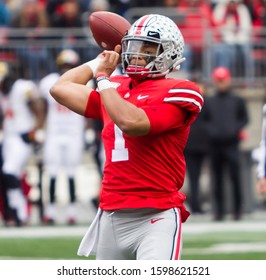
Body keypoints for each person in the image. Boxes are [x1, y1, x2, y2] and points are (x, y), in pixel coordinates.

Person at [50, 14, 204, 260]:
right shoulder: (116, 87)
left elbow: (132, 122)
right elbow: (60, 88)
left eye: (148, 48)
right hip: (111, 213)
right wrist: (99, 62)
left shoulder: (178, 90)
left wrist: (102, 79)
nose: (137, 54)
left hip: (156, 214)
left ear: (170, 52)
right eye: (133, 46)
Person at [38, 49, 87, 225]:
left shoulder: (84, 82)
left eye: (70, 66)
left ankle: (72, 211)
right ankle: (50, 211)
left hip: (74, 133)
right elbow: (43, 107)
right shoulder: (49, 82)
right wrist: (40, 128)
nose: (66, 69)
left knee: (72, 172)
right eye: (64, 65)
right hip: (54, 132)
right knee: (51, 171)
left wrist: (88, 131)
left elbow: (90, 107)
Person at [0, 61, 45, 226]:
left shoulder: (22, 88)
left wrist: (37, 130)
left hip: (22, 136)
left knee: (9, 171)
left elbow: (38, 108)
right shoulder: (3, 93)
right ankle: (16, 213)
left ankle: (20, 211)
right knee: (13, 176)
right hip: (8, 137)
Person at [202, 66, 249, 221]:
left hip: (232, 144)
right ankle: (219, 212)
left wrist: (235, 129)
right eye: (218, 80)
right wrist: (212, 132)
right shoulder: (209, 101)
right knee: (217, 178)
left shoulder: (237, 100)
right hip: (214, 145)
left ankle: (237, 211)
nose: (221, 83)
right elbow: (204, 120)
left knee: (235, 177)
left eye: (223, 80)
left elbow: (244, 119)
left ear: (228, 80)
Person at [184, 79, 210, 214]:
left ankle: (201, 203)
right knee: (193, 176)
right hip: (190, 145)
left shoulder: (207, 103)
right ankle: (195, 204)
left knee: (203, 176)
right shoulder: (188, 103)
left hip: (204, 145)